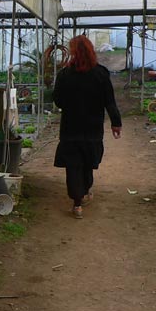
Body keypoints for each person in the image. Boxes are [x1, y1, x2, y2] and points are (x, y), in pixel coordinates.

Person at [53, 35, 122, 219]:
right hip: (92, 128)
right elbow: (110, 101)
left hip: (70, 128)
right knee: (87, 163)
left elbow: (58, 100)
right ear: (92, 51)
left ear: (74, 52)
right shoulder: (101, 73)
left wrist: (70, 102)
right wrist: (116, 123)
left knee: (73, 165)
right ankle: (84, 192)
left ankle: (77, 203)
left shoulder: (64, 75)